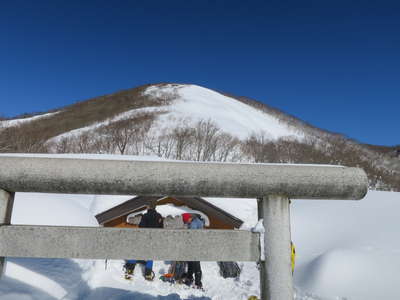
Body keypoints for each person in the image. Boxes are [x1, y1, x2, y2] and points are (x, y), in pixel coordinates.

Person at [124, 202, 163, 280]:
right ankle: (148, 274)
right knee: (150, 255)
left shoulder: (145, 216)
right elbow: (161, 229)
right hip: (154, 239)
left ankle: (130, 270)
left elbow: (141, 227)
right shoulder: (159, 216)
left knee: (136, 252)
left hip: (144, 238)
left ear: (149, 207)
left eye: (147, 206)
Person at [182, 212, 204, 289]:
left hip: (195, 247)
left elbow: (192, 237)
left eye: (186, 221)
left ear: (189, 218)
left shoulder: (194, 224)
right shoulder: (195, 221)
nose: (186, 223)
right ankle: (189, 278)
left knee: (196, 265)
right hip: (195, 247)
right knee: (191, 263)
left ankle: (198, 283)